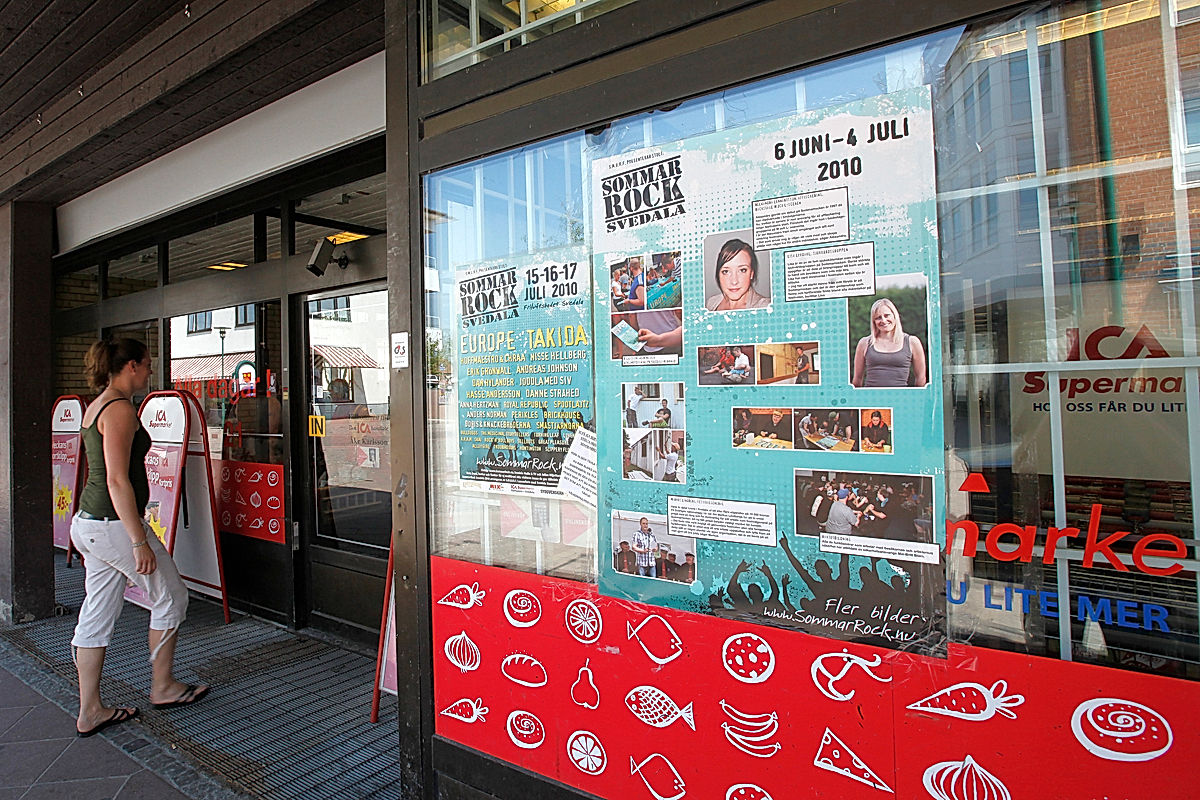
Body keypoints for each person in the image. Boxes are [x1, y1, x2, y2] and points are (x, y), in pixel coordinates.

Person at [70, 339, 210, 738]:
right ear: (130, 366)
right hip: (115, 526)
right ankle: (163, 687)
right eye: (147, 364)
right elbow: (116, 480)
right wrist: (138, 540)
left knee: (97, 612)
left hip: (92, 523)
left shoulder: (98, 405)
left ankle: (90, 710)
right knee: (171, 596)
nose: (150, 371)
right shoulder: (118, 410)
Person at [852, 297, 928, 387]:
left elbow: (921, 378)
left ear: (895, 316)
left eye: (887, 315)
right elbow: (857, 379)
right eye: (878, 318)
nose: (883, 320)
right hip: (870, 395)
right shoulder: (864, 343)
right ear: (873, 321)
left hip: (901, 395)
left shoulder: (912, 342)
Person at [705, 238, 770, 311]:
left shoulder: (765, 307)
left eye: (742, 270)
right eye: (726, 271)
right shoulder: (711, 303)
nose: (734, 281)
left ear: (751, 273)